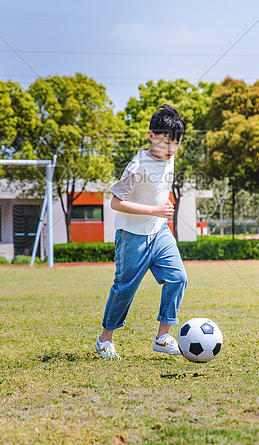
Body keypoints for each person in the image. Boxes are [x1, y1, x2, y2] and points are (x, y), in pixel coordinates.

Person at [95, 104, 188, 359]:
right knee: (124, 289)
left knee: (178, 278)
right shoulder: (137, 166)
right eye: (166, 142)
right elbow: (115, 203)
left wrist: (162, 208)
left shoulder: (168, 155)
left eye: (176, 143)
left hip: (159, 232)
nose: (171, 149)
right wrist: (154, 210)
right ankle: (105, 339)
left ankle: (162, 337)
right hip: (131, 236)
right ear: (150, 136)